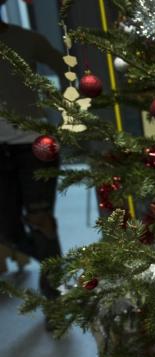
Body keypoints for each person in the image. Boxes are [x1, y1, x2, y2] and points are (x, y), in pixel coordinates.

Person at [0, 0, 67, 298]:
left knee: (41, 219)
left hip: (35, 144)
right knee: (6, 229)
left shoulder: (26, 39)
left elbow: (67, 69)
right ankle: (55, 267)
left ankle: (55, 294)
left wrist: (69, 113)